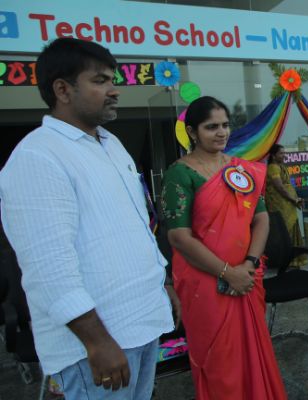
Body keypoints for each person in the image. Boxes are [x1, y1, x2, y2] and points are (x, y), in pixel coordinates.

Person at [0, 37, 179, 399]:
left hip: (140, 323)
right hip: (96, 346)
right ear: (62, 90)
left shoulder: (111, 144)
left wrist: (163, 284)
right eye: (100, 81)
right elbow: (48, 266)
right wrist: (96, 340)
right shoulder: (37, 156)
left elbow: (136, 229)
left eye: (113, 80)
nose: (114, 90)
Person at [160, 96, 286, 400]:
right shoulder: (180, 174)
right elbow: (179, 237)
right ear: (192, 132)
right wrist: (228, 273)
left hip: (247, 277)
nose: (221, 132)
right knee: (221, 361)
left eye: (225, 125)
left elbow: (261, 219)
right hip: (206, 282)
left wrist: (249, 265)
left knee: (252, 352)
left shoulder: (242, 169)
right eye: (211, 126)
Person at [265, 143, 306, 267]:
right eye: (281, 153)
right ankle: (285, 260)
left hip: (287, 204)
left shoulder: (280, 166)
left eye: (284, 153)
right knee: (283, 231)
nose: (284, 155)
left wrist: (294, 199)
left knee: (292, 229)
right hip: (279, 204)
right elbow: (280, 188)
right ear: (273, 155)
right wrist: (293, 199)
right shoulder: (273, 168)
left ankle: (293, 260)